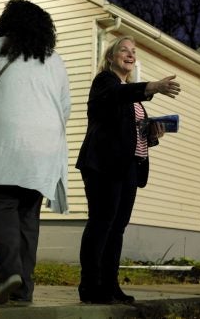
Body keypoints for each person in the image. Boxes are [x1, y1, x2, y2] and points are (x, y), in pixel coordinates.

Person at [0, 0, 71, 305]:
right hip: (45, 146)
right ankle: (24, 290)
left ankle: (8, 273)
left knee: (1, 205)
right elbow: (65, 107)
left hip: (5, 141)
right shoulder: (53, 58)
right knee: (27, 214)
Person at [75, 36, 181, 304]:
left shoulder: (133, 96)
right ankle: (90, 286)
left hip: (128, 168)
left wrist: (152, 134)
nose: (130, 54)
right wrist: (152, 86)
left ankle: (110, 285)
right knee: (102, 223)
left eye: (133, 51)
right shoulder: (105, 83)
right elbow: (116, 96)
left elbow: (130, 133)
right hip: (104, 165)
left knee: (117, 227)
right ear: (111, 57)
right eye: (123, 50)